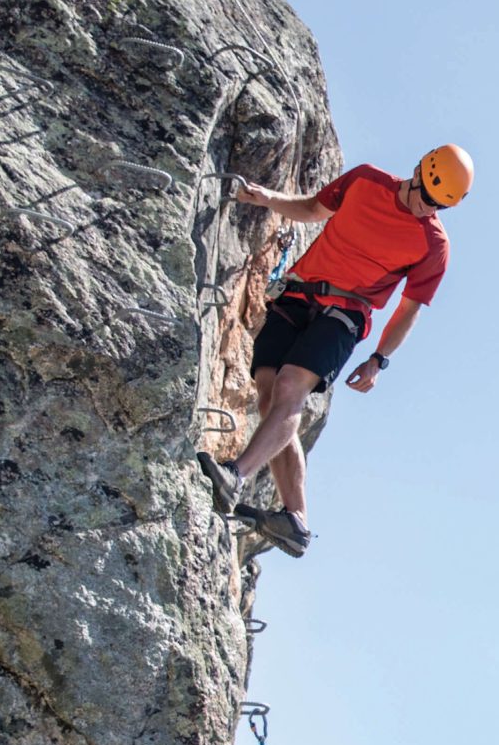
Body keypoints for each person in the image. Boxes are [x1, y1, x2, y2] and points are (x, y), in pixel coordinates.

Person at [198, 144, 474, 557]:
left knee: (292, 388)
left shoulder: (433, 245)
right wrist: (266, 198)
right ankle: (296, 519)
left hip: (346, 312)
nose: (425, 208)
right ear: (417, 171)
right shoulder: (366, 180)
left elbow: (409, 309)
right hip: (297, 293)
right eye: (424, 196)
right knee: (269, 394)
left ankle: (235, 475)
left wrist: (379, 359)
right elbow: (313, 209)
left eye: (436, 205)